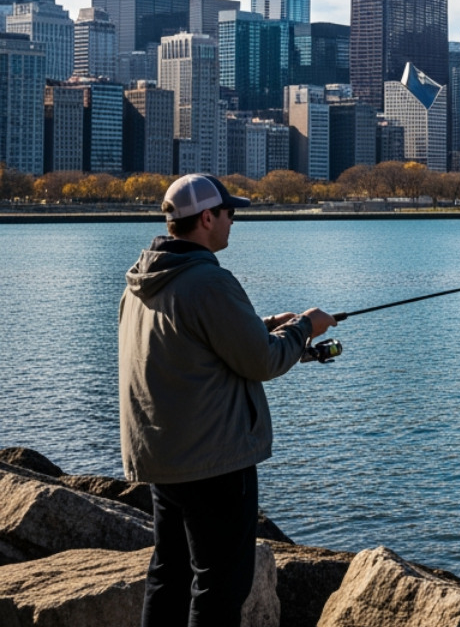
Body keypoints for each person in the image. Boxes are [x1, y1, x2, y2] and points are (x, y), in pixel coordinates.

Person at [118, 174, 336, 626]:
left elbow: (187, 341)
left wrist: (258, 323)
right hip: (214, 463)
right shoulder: (208, 281)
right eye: (230, 213)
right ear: (206, 218)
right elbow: (263, 361)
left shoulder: (143, 280)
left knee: (170, 573)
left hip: (164, 458)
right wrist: (304, 328)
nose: (234, 221)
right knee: (220, 585)